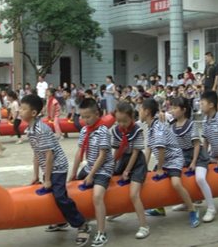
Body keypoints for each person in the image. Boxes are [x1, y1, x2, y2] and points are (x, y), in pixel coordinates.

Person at [20, 95, 91, 246]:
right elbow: (36, 153)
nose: (19, 111)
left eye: (23, 109)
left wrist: (47, 179)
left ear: (33, 113)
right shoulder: (30, 129)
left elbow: (49, 155)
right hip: (49, 167)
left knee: (60, 196)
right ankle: (61, 221)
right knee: (51, 196)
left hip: (58, 166)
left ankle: (81, 224)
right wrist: (35, 176)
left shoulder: (40, 129)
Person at [141, 98, 200, 227]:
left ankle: (192, 209)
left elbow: (161, 149)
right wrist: (144, 167)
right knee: (155, 182)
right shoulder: (150, 127)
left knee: (176, 183)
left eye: (140, 109)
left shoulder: (158, 128)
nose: (138, 112)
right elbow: (149, 148)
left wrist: (160, 168)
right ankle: (159, 208)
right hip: (165, 160)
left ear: (146, 112)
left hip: (174, 158)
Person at [70, 98, 114, 247]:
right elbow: (79, 152)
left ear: (97, 114)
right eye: (82, 117)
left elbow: (102, 156)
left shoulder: (103, 130)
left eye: (88, 116)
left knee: (97, 196)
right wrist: (74, 173)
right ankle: (77, 221)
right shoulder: (84, 130)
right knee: (71, 190)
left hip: (103, 169)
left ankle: (101, 232)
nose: (85, 120)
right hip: (89, 167)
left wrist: (90, 176)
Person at [169, 97, 216, 222]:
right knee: (181, 178)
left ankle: (211, 207)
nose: (172, 111)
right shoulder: (172, 127)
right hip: (182, 156)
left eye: (175, 108)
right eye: (171, 108)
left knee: (200, 177)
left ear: (183, 110)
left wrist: (194, 162)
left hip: (197, 155)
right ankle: (187, 202)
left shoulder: (191, 125)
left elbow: (196, 144)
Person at [108, 102, 150, 239]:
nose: (122, 124)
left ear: (132, 117)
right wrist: (112, 165)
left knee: (133, 194)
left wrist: (126, 171)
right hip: (123, 160)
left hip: (137, 163)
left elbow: (135, 153)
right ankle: (118, 209)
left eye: (125, 121)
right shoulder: (116, 130)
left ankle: (144, 226)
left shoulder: (137, 131)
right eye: (119, 121)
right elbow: (116, 151)